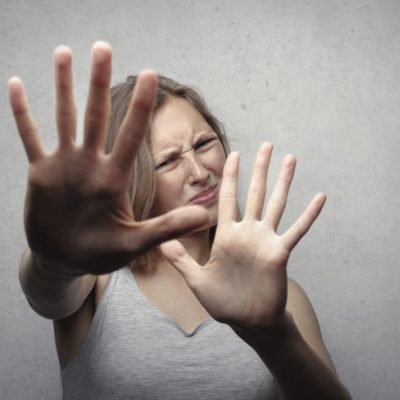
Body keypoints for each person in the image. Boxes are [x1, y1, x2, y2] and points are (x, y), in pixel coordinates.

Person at [9, 42, 352, 399]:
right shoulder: (96, 281)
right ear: (129, 179)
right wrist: (53, 260)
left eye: (204, 143)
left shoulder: (283, 296)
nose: (200, 172)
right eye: (168, 161)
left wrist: (273, 334)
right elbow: (46, 293)